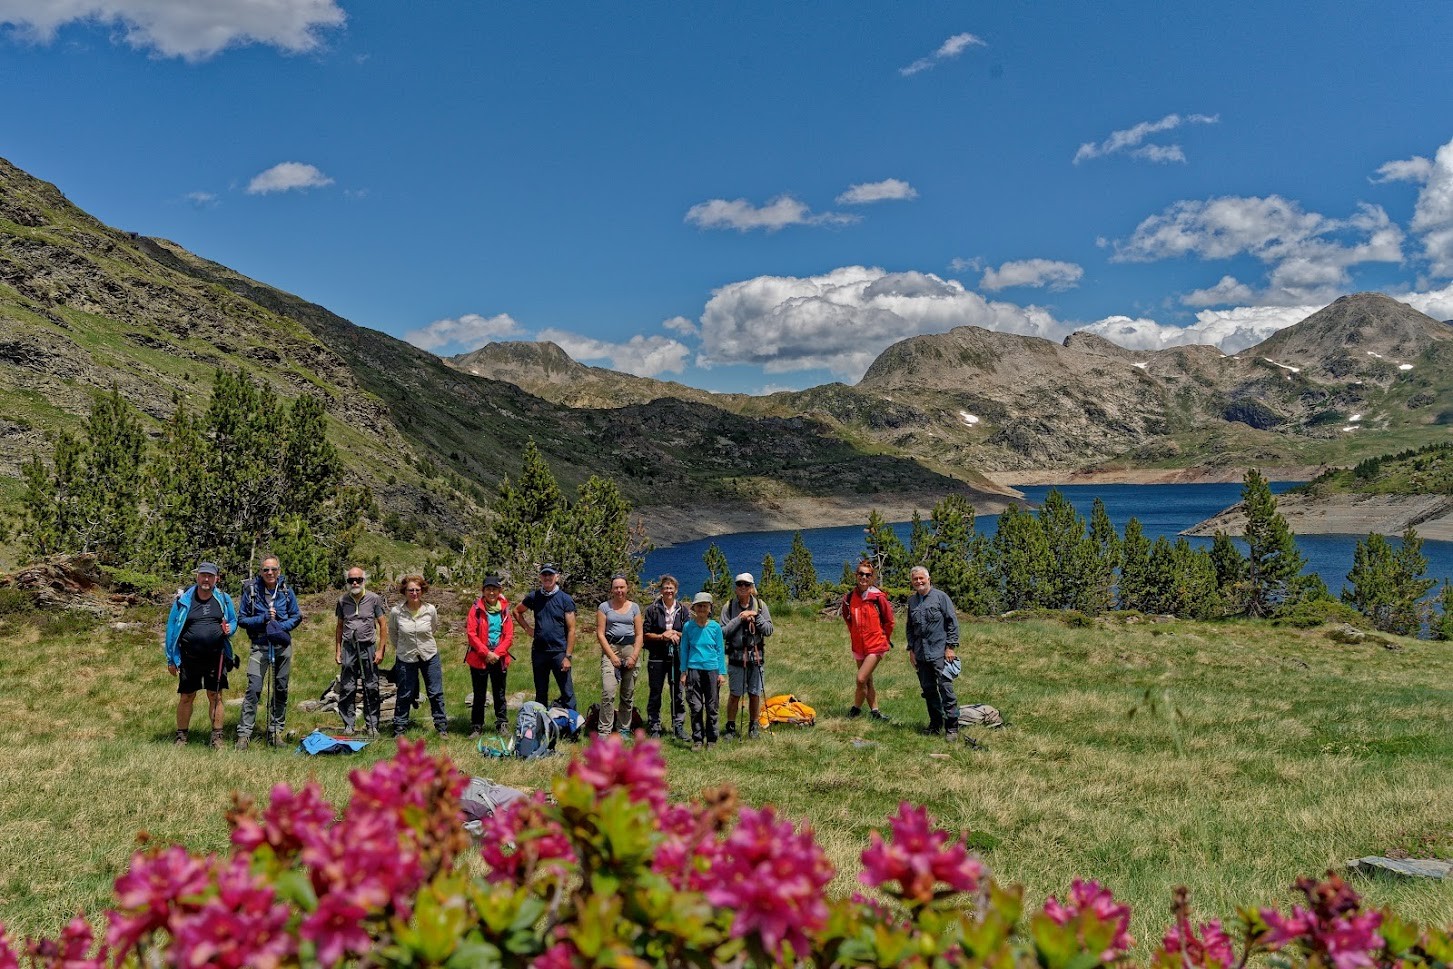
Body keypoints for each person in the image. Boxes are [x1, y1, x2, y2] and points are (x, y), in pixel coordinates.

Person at [164, 561, 238, 749]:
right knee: (186, 696)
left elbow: (233, 621)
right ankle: (181, 737)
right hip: (189, 657)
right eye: (203, 575)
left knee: (215, 696)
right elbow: (171, 628)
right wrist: (171, 659)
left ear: (216, 579)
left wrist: (230, 629)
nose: (206, 579)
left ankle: (217, 738)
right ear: (197, 577)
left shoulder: (223, 598)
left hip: (216, 656)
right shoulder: (184, 600)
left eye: (210, 576)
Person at [235, 555, 302, 749]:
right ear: (261, 572)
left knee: (280, 688)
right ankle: (244, 734)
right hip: (259, 646)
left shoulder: (286, 592)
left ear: (279, 571)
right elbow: (242, 619)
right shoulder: (252, 592)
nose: (270, 573)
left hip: (282, 647)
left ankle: (275, 731)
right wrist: (263, 619)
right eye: (266, 570)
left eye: (273, 569)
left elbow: (296, 616)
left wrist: (279, 627)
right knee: (254, 689)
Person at [906, 565, 962, 740]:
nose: (919, 581)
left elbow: (952, 622)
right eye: (915, 579)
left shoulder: (941, 598)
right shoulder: (912, 601)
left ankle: (952, 727)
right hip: (921, 654)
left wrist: (950, 647)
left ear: (928, 579)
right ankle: (935, 724)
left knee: (946, 688)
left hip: (940, 653)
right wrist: (911, 650)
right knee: (928, 690)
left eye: (921, 578)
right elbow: (910, 627)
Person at [512, 563, 577, 712]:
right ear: (540, 577)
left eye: (550, 575)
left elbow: (572, 630)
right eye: (544, 575)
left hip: (559, 652)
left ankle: (572, 729)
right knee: (541, 692)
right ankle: (541, 727)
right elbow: (516, 611)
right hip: (539, 652)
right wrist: (528, 629)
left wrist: (568, 656)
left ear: (557, 577)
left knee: (567, 692)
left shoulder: (565, 599)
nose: (547, 578)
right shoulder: (534, 596)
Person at [389, 575, 448, 738]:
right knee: (405, 692)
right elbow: (393, 633)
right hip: (406, 656)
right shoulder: (396, 612)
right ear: (404, 592)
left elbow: (433, 628)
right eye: (410, 590)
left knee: (435, 692)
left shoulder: (430, 610)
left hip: (429, 654)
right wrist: (402, 647)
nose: (414, 593)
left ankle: (441, 727)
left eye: (417, 590)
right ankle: (399, 728)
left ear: (422, 591)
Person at [335, 567, 388, 736]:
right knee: (347, 687)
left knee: (371, 686)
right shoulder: (342, 600)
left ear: (364, 580)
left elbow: (383, 625)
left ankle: (372, 725)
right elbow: (339, 626)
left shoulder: (374, 599)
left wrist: (380, 650)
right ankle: (348, 725)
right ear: (347, 582)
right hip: (349, 648)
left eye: (358, 579)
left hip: (368, 647)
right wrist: (338, 651)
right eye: (351, 580)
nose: (355, 582)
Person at [720, 572, 773, 740]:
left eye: (746, 585)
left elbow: (769, 630)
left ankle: (753, 726)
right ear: (735, 588)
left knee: (755, 693)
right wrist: (740, 619)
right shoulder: (728, 607)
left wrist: (756, 617)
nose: (743, 587)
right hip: (736, 657)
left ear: (751, 588)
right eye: (739, 584)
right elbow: (722, 632)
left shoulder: (760, 606)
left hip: (756, 657)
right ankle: (730, 727)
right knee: (735, 693)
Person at [841, 560, 893, 721]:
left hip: (876, 645)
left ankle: (855, 709)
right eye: (861, 574)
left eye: (867, 575)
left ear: (872, 578)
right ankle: (875, 712)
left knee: (861, 678)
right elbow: (848, 619)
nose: (863, 577)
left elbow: (889, 621)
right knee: (868, 679)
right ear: (856, 575)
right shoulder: (849, 597)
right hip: (858, 645)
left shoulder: (878, 597)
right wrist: (855, 634)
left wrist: (884, 638)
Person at [465, 575, 514, 738]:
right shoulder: (476, 609)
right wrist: (486, 653)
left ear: (499, 591)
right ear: (483, 591)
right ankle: (477, 726)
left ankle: (502, 724)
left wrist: (496, 653)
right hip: (480, 657)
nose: (491, 592)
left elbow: (509, 636)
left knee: (499, 693)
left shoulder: (505, 610)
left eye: (494, 589)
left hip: (499, 657)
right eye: (488, 589)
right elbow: (471, 634)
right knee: (479, 694)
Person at [596, 574, 643, 739]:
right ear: (611, 589)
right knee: (608, 691)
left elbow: (639, 634)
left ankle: (623, 728)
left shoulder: (634, 608)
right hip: (612, 649)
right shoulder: (604, 607)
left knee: (627, 693)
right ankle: (604, 730)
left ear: (627, 588)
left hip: (630, 649)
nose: (619, 590)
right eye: (616, 587)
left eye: (622, 587)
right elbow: (600, 634)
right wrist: (612, 656)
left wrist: (634, 656)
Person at [642, 574, 689, 739]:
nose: (668, 591)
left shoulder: (683, 610)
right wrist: (663, 636)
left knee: (677, 692)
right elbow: (645, 634)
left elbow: (689, 633)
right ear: (661, 591)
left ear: (676, 590)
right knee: (655, 692)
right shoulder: (652, 609)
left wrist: (676, 633)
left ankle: (678, 726)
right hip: (657, 656)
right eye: (665, 588)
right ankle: (654, 726)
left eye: (671, 588)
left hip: (677, 656)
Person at [679, 591, 726, 750]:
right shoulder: (688, 627)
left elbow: (720, 649)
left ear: (710, 608)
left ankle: (712, 739)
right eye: (699, 606)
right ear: (694, 608)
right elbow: (684, 649)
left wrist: (721, 673)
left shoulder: (715, 627)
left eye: (705, 606)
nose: (701, 609)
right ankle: (698, 739)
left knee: (712, 706)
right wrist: (683, 671)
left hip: (712, 670)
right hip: (693, 670)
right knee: (696, 706)